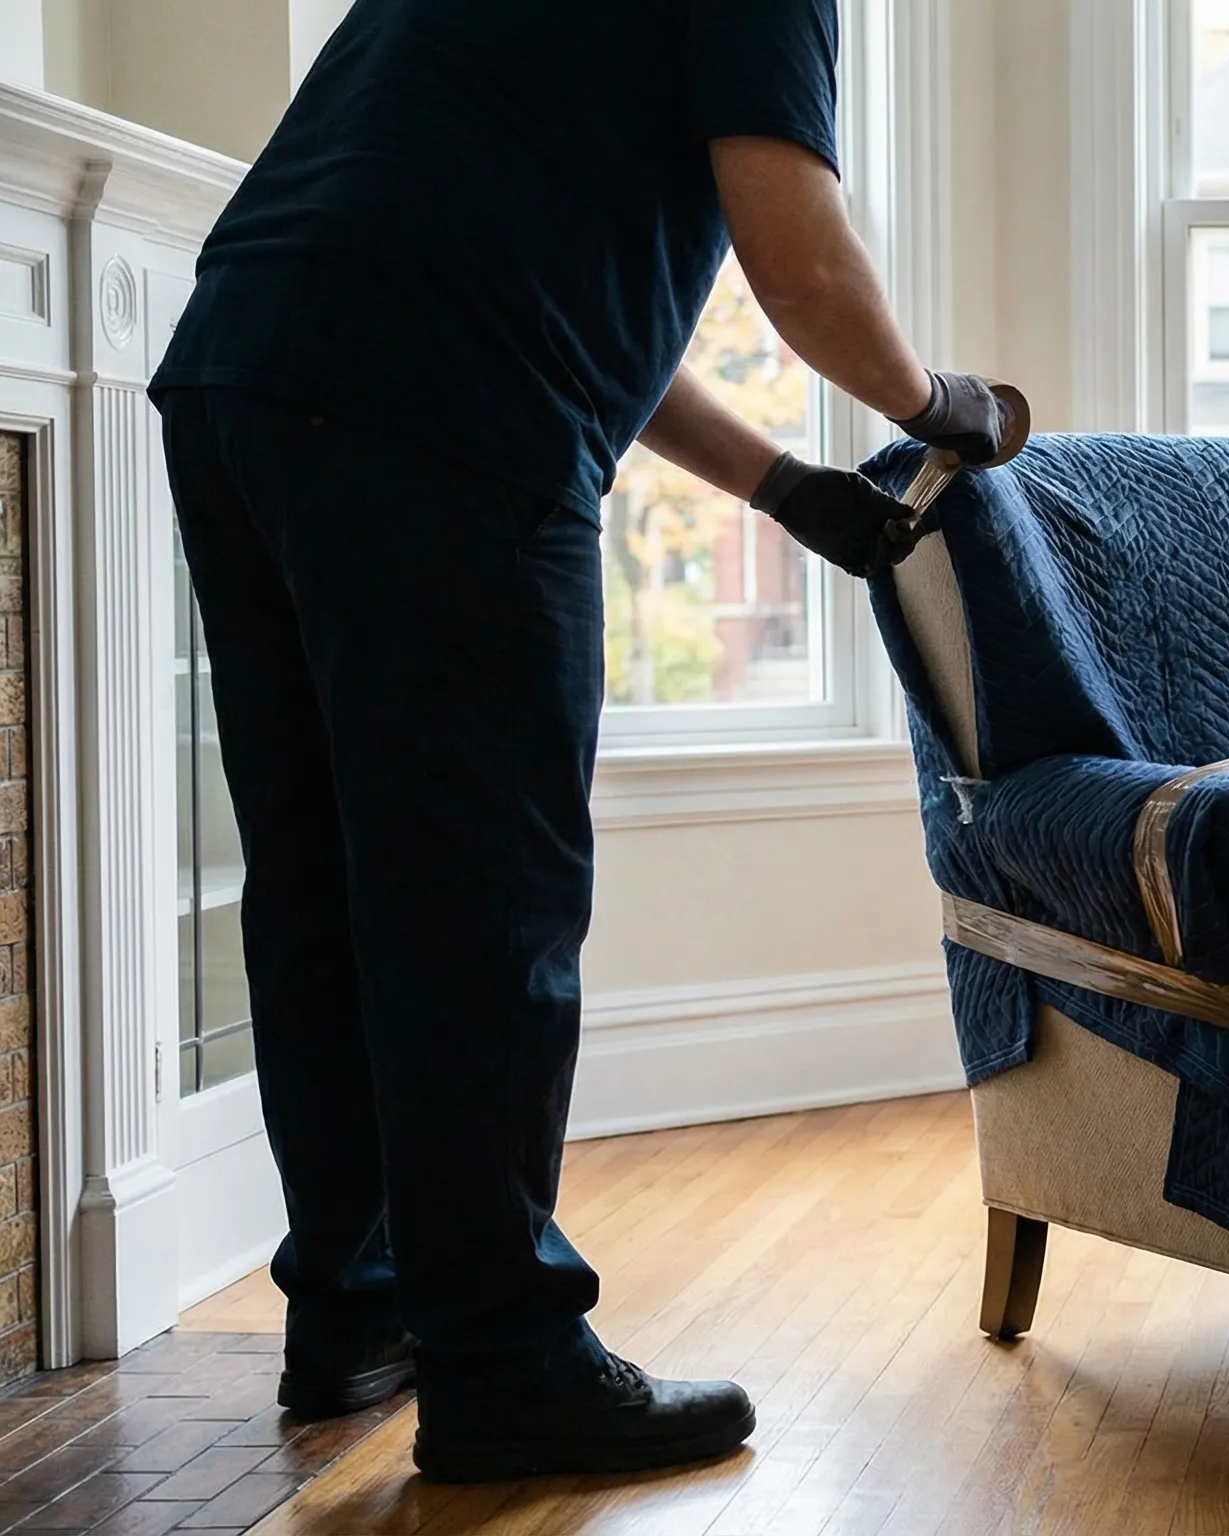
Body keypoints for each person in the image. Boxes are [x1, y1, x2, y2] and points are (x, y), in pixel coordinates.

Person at [147, 0, 1013, 1482]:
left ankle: (352, 1313)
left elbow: (542, 288)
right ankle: (508, 1363)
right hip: (440, 417)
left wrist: (786, 486)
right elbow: (797, 264)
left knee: (326, 895)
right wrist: (946, 405)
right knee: (485, 908)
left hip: (248, 372)